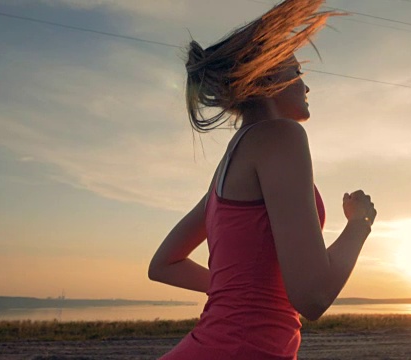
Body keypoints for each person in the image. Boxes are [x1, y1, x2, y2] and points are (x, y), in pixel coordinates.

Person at [148, 0, 376, 358]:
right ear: (268, 76)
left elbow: (164, 264)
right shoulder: (280, 136)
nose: (307, 87)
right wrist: (359, 224)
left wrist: (242, 293)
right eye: (297, 71)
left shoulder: (229, 164)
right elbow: (313, 297)